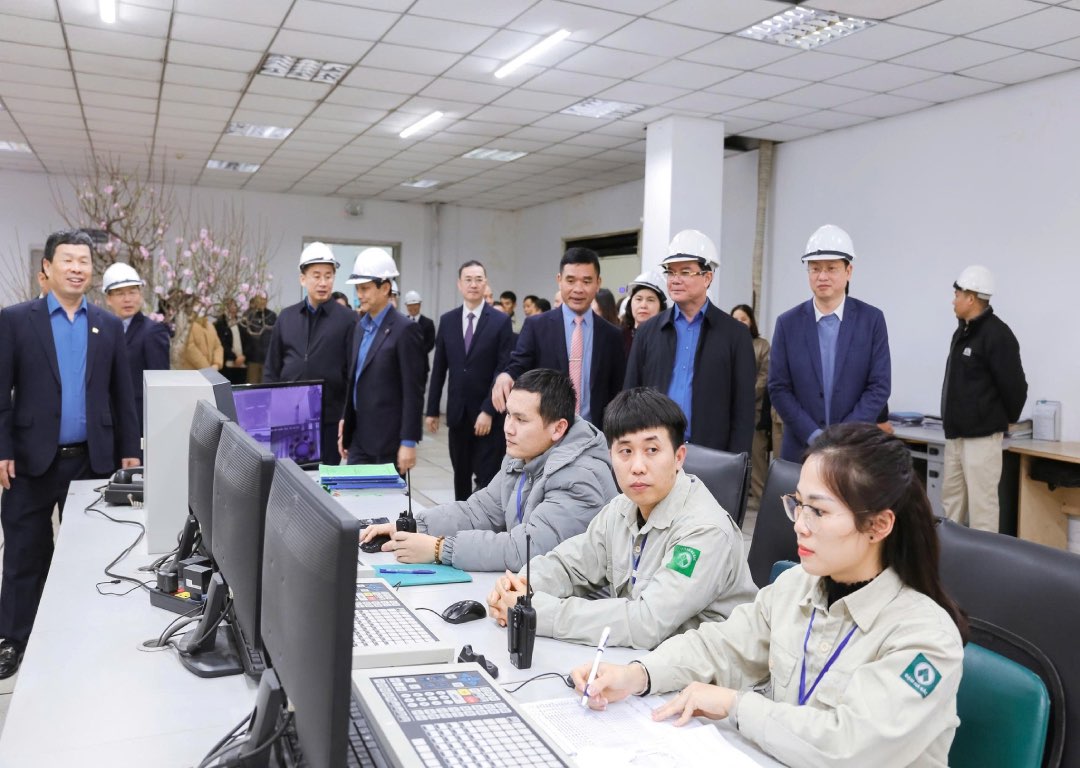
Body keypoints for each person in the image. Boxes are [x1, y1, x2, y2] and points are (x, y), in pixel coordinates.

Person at [575, 423, 968, 768]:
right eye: (798, 505)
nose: (801, 525)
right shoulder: (796, 585)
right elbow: (721, 647)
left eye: (819, 511)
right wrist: (637, 675)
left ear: (878, 524)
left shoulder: (926, 637)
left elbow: (849, 748)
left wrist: (735, 704)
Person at [487, 387, 757, 649]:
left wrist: (537, 613)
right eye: (625, 451)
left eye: (652, 450)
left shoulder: (705, 530)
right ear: (611, 457)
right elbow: (571, 565)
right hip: (636, 666)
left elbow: (646, 624)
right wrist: (521, 587)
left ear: (678, 457)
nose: (637, 467)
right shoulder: (621, 508)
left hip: (706, 682)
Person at [0, 229, 141, 678]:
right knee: (24, 551)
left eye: (84, 261)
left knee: (91, 552)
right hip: (29, 458)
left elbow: (123, 395)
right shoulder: (16, 320)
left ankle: (85, 632)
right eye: (68, 260)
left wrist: (129, 451)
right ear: (47, 268)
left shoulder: (107, 324)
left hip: (92, 459)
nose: (78, 267)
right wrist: (2, 448)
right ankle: (15, 638)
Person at [362, 369, 616, 571]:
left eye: (521, 420)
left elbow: (526, 549)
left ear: (558, 429)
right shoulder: (523, 455)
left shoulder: (580, 477)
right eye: (508, 416)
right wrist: (414, 526)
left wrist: (440, 549)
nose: (508, 428)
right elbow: (479, 511)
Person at [625, 230, 756, 454]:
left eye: (685, 272)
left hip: (712, 454)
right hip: (655, 451)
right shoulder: (648, 332)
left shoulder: (735, 334)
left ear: (707, 277)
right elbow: (630, 396)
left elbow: (743, 409)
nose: (675, 280)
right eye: (671, 272)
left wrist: (737, 463)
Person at [768, 224, 891, 462]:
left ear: (849, 271)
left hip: (853, 450)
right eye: (815, 268)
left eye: (831, 268)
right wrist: (814, 435)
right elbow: (778, 388)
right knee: (799, 501)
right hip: (801, 450)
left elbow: (879, 386)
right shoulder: (788, 323)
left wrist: (842, 436)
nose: (822, 276)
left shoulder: (872, 320)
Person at [492, 247, 625, 430]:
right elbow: (518, 365)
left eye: (587, 281)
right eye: (570, 280)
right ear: (559, 280)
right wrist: (505, 376)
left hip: (593, 435)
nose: (578, 289)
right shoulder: (536, 326)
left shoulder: (612, 335)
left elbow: (617, 390)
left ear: (598, 283)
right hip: (545, 432)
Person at [941, 265, 1027, 533]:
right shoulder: (962, 332)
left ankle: (983, 570)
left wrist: (1006, 420)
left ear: (971, 297)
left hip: (982, 439)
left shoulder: (997, 335)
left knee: (982, 511)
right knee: (951, 506)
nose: (953, 300)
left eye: (957, 294)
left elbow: (1016, 387)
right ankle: (949, 562)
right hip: (956, 436)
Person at [426, 261, 514, 500]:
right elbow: (439, 368)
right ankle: (460, 526)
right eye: (468, 279)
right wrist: (432, 409)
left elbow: (503, 369)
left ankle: (485, 529)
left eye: (478, 279)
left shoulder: (500, 321)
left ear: (485, 283)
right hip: (458, 414)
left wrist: (488, 410)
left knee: (487, 476)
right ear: (459, 284)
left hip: (489, 415)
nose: (473, 284)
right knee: (460, 474)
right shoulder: (448, 320)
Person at [264, 242, 356, 466]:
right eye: (316, 275)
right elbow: (271, 368)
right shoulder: (286, 318)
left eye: (328, 276)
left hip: (329, 420)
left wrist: (347, 418)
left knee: (323, 484)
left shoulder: (348, 319)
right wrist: (270, 411)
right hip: (289, 419)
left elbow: (352, 373)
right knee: (288, 479)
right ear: (303, 279)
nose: (323, 283)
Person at [340, 248, 425, 472]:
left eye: (365, 288)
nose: (360, 294)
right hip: (359, 436)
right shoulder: (360, 327)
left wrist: (408, 442)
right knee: (354, 501)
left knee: (385, 506)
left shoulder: (405, 330)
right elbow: (354, 380)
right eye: (358, 288)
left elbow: (413, 390)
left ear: (385, 288)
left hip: (389, 441)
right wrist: (345, 421)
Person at [101, 262, 170, 437]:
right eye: (120, 293)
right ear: (108, 299)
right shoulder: (101, 330)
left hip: (139, 424)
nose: (127, 299)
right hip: (108, 421)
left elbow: (160, 385)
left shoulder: (153, 331)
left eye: (133, 292)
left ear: (140, 295)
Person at [731, 304, 770, 509]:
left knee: (757, 452)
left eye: (743, 319)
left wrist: (745, 396)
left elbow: (764, 377)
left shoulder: (761, 345)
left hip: (755, 408)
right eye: (735, 319)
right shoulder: (727, 342)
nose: (740, 323)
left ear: (751, 322)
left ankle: (760, 496)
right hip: (729, 409)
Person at [621, 269, 667, 357]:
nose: (643, 305)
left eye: (650, 300)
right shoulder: (618, 338)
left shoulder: (667, 339)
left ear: (661, 307)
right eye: (638, 299)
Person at [213, 298, 250, 385]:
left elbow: (249, 342)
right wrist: (234, 357)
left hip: (242, 364)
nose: (233, 308)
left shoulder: (242, 323)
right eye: (230, 306)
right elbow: (221, 344)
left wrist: (243, 356)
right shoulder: (219, 324)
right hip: (227, 365)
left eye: (235, 306)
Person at [240, 295, 275, 383]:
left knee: (266, 386)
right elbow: (244, 337)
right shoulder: (248, 315)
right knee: (252, 386)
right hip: (252, 359)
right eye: (260, 299)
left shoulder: (271, 315)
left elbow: (275, 336)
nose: (262, 301)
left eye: (264, 299)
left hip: (267, 359)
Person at [402, 289, 436, 354]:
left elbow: (430, 343)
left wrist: (418, 353)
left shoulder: (428, 323)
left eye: (415, 304)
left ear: (420, 305)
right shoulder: (402, 322)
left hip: (422, 360)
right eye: (409, 305)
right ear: (406, 306)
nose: (412, 307)